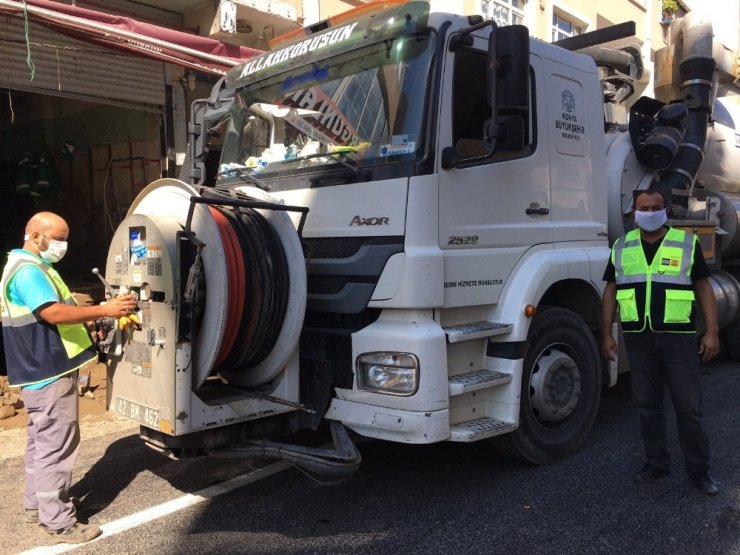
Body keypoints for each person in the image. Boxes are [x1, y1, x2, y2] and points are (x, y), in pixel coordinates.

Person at [0, 211, 136, 544]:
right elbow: (53, 313)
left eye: (65, 237)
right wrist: (106, 310)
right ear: (35, 237)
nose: (63, 244)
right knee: (57, 445)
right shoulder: (29, 271)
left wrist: (88, 322)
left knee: (40, 443)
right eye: (58, 238)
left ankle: (38, 506)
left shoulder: (28, 267)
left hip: (37, 370)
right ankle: (58, 522)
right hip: (49, 370)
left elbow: (52, 315)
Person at [600, 190, 720, 496]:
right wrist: (606, 334)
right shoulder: (621, 245)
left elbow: (704, 288)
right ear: (634, 212)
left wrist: (711, 332)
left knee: (688, 407)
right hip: (639, 338)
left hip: (679, 338)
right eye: (644, 208)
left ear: (665, 209)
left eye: (655, 208)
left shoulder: (685, 242)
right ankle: (656, 462)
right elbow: (611, 291)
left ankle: (699, 470)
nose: (650, 212)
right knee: (647, 405)